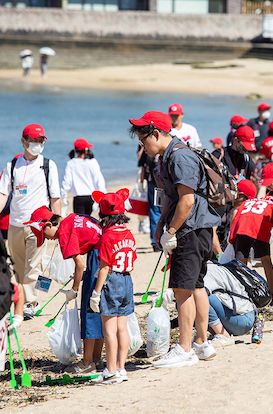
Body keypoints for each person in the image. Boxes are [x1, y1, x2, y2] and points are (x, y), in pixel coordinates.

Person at [130, 111, 220, 368]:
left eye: (142, 139)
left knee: (182, 289)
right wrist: (160, 225)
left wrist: (171, 232)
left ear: (156, 134)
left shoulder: (179, 156)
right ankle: (202, 343)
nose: (142, 146)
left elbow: (187, 200)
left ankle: (184, 348)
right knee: (197, 286)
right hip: (197, 227)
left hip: (190, 229)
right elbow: (171, 197)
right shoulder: (169, 155)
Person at [0, 124, 61, 319]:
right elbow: (3, 193)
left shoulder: (48, 165)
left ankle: (29, 303)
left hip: (39, 225)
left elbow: (55, 197)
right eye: (34, 141)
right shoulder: (12, 165)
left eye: (41, 141)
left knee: (34, 265)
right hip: (15, 224)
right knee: (19, 267)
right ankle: (25, 299)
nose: (37, 145)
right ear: (23, 141)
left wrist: (58, 222)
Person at [25, 205, 104, 375]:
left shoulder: (65, 230)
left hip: (97, 260)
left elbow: (80, 264)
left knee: (89, 311)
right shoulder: (73, 218)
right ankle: (97, 359)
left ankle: (87, 362)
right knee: (99, 309)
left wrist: (74, 289)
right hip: (105, 256)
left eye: (44, 235)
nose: (47, 240)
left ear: (48, 225)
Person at [89, 189, 136, 385]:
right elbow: (133, 258)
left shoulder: (107, 236)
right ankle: (122, 368)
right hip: (127, 280)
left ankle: (110, 370)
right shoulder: (129, 234)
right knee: (122, 329)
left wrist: (96, 293)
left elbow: (104, 267)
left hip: (112, 280)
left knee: (109, 330)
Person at [229, 165, 273, 303]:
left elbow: (236, 213)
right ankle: (271, 294)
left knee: (240, 264)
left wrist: (231, 237)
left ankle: (241, 293)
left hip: (241, 229)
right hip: (258, 229)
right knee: (266, 261)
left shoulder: (252, 201)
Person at [204, 262, 256, 348]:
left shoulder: (207, 271)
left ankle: (223, 336)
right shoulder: (211, 265)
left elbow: (203, 294)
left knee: (198, 298)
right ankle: (216, 334)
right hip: (240, 316)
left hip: (243, 319)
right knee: (184, 302)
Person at [61, 138, 106, 216]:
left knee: (79, 222)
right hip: (91, 197)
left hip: (78, 198)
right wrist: (103, 195)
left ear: (75, 150)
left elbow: (67, 182)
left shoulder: (71, 163)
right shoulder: (93, 162)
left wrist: (63, 196)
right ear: (86, 150)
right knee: (88, 220)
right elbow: (99, 180)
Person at [138, 150, 162, 252]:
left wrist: (142, 182)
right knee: (164, 209)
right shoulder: (163, 149)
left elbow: (142, 167)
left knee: (154, 210)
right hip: (162, 183)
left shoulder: (146, 150)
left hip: (152, 182)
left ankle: (155, 241)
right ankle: (162, 240)